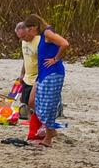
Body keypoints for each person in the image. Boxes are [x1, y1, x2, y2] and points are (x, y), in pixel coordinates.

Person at [16, 15, 71, 146]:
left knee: (47, 106)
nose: (29, 34)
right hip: (42, 74)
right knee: (32, 102)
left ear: (34, 27)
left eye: (29, 30)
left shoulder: (47, 33)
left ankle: (48, 136)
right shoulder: (42, 35)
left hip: (52, 73)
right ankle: (50, 130)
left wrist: (56, 59)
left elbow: (64, 43)